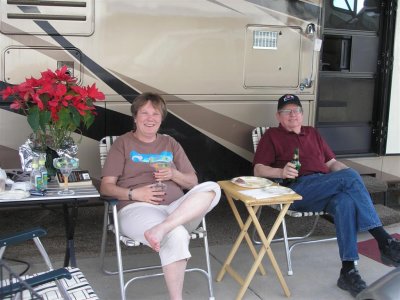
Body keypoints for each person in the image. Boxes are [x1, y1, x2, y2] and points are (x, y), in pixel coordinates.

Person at [253, 94, 400, 298]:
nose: (292, 114)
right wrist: (280, 172)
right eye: (287, 111)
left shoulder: (312, 133)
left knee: (346, 201)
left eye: (296, 110)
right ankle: (384, 241)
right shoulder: (271, 136)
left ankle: (347, 271)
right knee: (349, 178)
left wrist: (351, 178)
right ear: (279, 116)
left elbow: (331, 164)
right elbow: (258, 170)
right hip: (296, 189)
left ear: (302, 114)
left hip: (324, 186)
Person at [100, 92, 220, 300]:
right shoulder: (123, 144)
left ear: (161, 118)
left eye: (155, 113)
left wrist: (174, 174)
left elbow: (192, 182)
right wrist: (133, 193)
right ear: (135, 117)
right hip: (137, 209)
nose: (150, 118)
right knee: (177, 234)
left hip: (177, 209)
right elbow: (106, 187)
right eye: (144, 113)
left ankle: (163, 228)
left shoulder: (170, 143)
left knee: (213, 188)